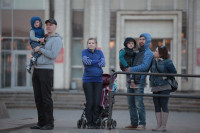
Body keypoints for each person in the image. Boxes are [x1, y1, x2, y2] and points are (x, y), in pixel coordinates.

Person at [30, 18, 63, 130]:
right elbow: (33, 49)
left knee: (46, 98)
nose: (48, 26)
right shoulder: (43, 38)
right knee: (38, 98)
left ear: (55, 27)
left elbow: (53, 55)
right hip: (37, 69)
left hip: (46, 70)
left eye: (51, 25)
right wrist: (35, 49)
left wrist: (41, 49)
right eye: (47, 25)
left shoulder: (57, 40)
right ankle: (41, 122)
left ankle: (49, 123)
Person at [125, 33, 153, 130]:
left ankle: (142, 123)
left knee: (139, 103)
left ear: (148, 41)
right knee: (130, 103)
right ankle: (134, 123)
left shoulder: (149, 53)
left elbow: (145, 66)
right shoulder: (137, 52)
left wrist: (131, 69)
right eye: (140, 39)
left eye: (143, 39)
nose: (141, 41)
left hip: (139, 81)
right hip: (130, 80)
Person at [150, 46, 177, 132]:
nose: (155, 52)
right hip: (155, 86)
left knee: (164, 105)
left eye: (156, 51)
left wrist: (165, 76)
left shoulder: (168, 61)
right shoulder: (154, 61)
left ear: (161, 53)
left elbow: (174, 72)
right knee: (157, 106)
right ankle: (158, 125)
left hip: (164, 86)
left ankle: (163, 126)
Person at [82, 38, 106, 129]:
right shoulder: (84, 52)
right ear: (87, 44)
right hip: (87, 80)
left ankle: (95, 122)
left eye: (93, 43)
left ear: (96, 44)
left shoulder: (100, 52)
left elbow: (103, 63)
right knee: (90, 102)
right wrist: (97, 61)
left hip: (98, 80)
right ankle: (90, 122)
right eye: (89, 43)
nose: (91, 44)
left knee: (96, 103)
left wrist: (92, 62)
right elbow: (86, 62)